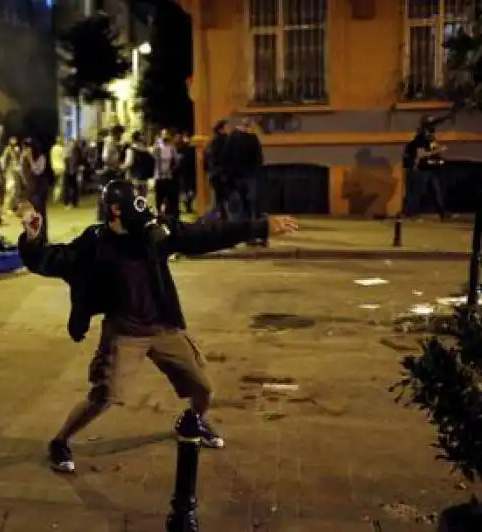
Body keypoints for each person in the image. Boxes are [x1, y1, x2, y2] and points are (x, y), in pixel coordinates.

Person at [18, 180, 298, 473]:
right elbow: (51, 260)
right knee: (104, 395)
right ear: (115, 211)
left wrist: (259, 227)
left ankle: (193, 422)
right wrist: (34, 240)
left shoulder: (154, 232)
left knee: (203, 388)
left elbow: (204, 234)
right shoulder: (95, 243)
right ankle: (60, 441)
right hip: (125, 332)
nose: (144, 225)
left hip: (164, 327)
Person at [221, 119, 264, 242]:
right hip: (248, 176)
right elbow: (259, 158)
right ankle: (251, 234)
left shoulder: (233, 138)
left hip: (236, 177)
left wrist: (227, 174)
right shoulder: (252, 138)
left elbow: (225, 157)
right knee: (250, 206)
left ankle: (239, 234)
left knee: (239, 207)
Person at [403, 116, 447, 220]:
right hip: (419, 169)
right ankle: (412, 214)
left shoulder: (429, 139)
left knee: (436, 191)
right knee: (417, 192)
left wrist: (437, 149)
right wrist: (437, 150)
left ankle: (442, 214)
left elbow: (434, 148)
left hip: (429, 168)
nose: (432, 132)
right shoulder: (420, 138)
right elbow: (421, 154)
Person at [21, 138, 50, 238]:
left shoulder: (41, 157)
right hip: (30, 189)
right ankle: (33, 235)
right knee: (30, 213)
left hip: (39, 188)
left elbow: (37, 171)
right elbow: (22, 171)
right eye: (24, 147)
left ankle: (42, 235)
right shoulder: (23, 157)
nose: (26, 150)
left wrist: (30, 159)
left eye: (28, 148)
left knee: (40, 213)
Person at [205, 121, 231, 219]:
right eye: (226, 127)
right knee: (223, 198)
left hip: (214, 174)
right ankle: (218, 216)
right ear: (221, 130)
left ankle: (217, 216)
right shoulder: (224, 141)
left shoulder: (212, 142)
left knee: (218, 197)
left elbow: (207, 158)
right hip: (221, 174)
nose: (228, 129)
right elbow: (225, 158)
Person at [153, 129, 179, 217]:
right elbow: (154, 156)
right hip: (159, 177)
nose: (165, 137)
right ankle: (159, 213)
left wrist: (172, 169)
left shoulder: (172, 148)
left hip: (168, 177)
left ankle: (167, 215)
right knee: (159, 198)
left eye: (166, 135)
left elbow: (177, 161)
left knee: (168, 198)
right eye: (163, 135)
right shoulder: (158, 147)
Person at [122, 131, 154, 197]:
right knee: (142, 199)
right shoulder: (146, 150)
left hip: (133, 178)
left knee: (133, 199)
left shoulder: (131, 149)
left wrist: (120, 167)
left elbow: (129, 163)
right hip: (144, 179)